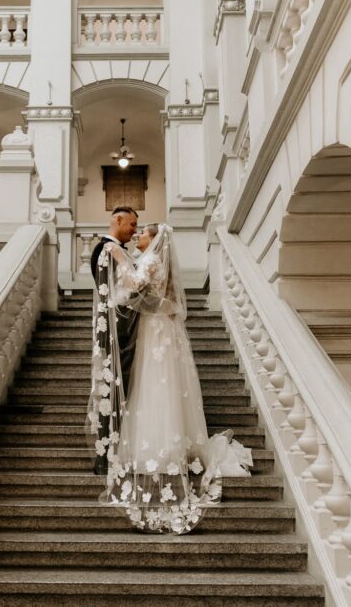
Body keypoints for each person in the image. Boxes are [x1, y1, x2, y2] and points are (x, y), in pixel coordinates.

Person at [87, 223, 252, 534]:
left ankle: (159, 447)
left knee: (155, 383)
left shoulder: (150, 260)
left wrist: (119, 258)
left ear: (154, 239)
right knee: (159, 384)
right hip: (160, 326)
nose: (138, 236)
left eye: (143, 233)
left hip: (156, 329)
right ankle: (165, 442)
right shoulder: (156, 260)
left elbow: (135, 284)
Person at [89, 206, 141, 475]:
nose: (134, 230)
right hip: (116, 329)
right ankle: (107, 456)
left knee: (122, 389)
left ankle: (119, 450)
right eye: (131, 224)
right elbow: (108, 294)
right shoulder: (106, 249)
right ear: (118, 220)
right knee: (112, 389)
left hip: (122, 327)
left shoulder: (117, 250)